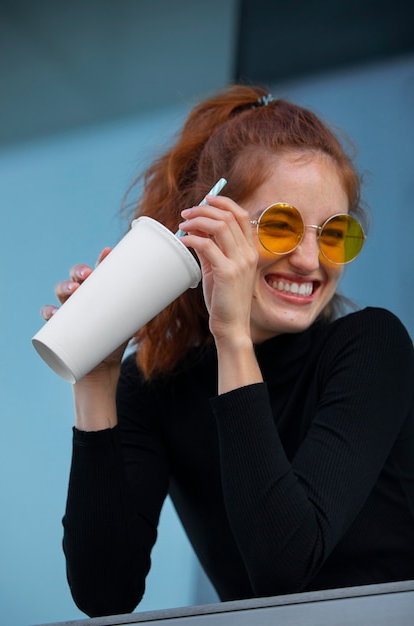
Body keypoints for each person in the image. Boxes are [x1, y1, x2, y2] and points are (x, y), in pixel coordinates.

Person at [42, 84, 414, 619]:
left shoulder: (371, 349)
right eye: (282, 227)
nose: (311, 261)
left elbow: (286, 564)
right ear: (210, 226)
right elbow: (104, 594)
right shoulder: (155, 390)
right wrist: (96, 381)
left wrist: (233, 335)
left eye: (336, 235)